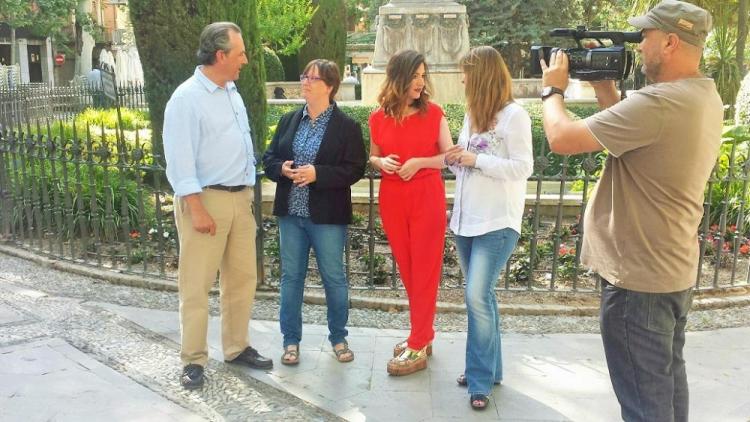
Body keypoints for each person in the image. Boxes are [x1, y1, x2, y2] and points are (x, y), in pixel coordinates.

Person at [539, 1, 722, 421]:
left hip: (637, 282)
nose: (639, 46)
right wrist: (606, 89)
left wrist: (553, 89)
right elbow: (635, 137)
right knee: (667, 391)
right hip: (668, 273)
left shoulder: (660, 103)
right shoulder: (699, 95)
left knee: (645, 407)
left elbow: (562, 138)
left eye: (646, 37)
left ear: (671, 42)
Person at [163, 21, 273, 390]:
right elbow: (180, 161)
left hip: (239, 199)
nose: (246, 60)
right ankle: (193, 359)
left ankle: (237, 346)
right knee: (196, 285)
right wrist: (196, 208)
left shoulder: (232, 91)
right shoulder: (186, 98)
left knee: (242, 280)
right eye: (240, 53)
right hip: (204, 199)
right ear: (220, 55)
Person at [445, 46, 533, 410]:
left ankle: (478, 380)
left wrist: (476, 158)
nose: (462, 79)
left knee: (476, 297)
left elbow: (522, 167)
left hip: (497, 223)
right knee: (483, 298)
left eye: (466, 73)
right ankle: (491, 369)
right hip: (466, 221)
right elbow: (469, 169)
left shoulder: (515, 117)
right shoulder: (471, 115)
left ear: (481, 75)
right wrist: (456, 160)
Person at [263, 59, 366, 365]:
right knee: (291, 278)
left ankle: (338, 337)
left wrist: (318, 174)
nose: (305, 82)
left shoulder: (347, 127)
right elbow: (269, 158)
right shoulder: (289, 120)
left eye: (313, 78)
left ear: (330, 86)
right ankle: (290, 341)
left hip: (327, 217)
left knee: (333, 278)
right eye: (304, 76)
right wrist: (281, 167)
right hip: (291, 214)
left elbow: (354, 169)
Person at [368, 49, 453, 376]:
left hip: (426, 196)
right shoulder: (377, 117)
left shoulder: (434, 114)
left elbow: (449, 157)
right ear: (399, 77)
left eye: (423, 75)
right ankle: (422, 335)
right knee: (407, 270)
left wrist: (420, 162)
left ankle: (418, 342)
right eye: (415, 75)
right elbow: (373, 156)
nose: (420, 81)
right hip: (392, 198)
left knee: (425, 271)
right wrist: (381, 162)